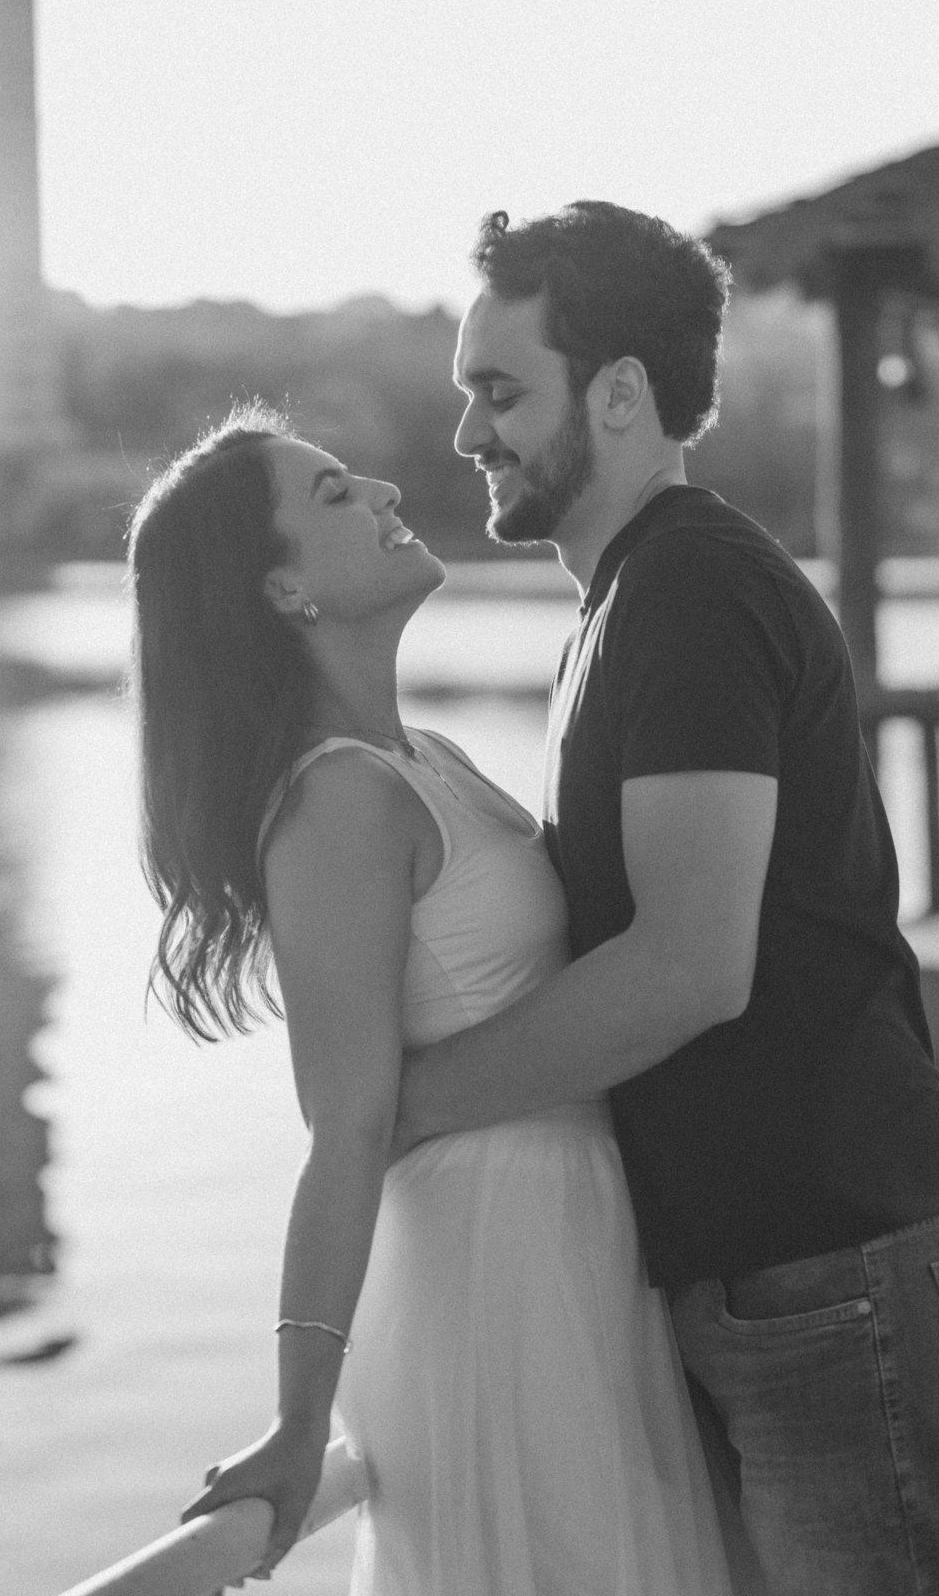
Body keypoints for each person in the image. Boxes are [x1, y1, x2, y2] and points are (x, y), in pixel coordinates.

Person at [390, 201, 939, 1596]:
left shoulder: (687, 593)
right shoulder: (629, 599)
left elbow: (687, 964)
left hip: (836, 1262)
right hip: (791, 1271)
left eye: (501, 391)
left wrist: (406, 1105)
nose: (468, 433)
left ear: (619, 394)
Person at [127, 401, 732, 1594]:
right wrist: (299, 1418)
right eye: (334, 494)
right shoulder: (336, 801)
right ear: (283, 589)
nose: (387, 492)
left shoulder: (427, 760)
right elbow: (345, 1126)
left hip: (581, 1239)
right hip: (499, 1267)